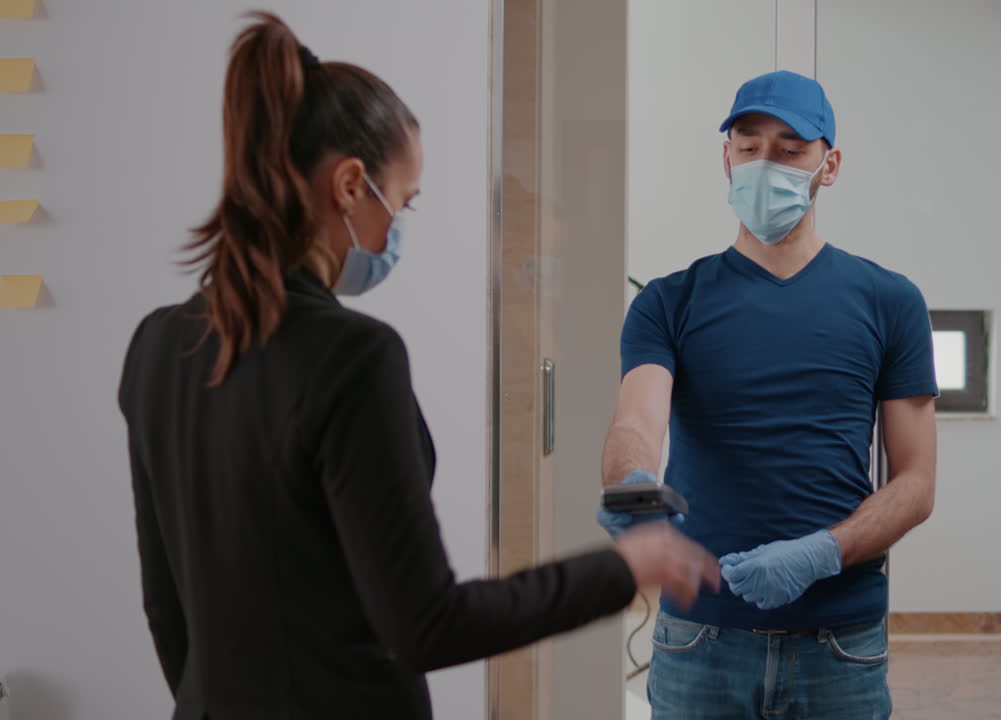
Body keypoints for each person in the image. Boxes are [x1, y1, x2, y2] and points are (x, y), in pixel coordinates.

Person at [117, 13, 719, 720]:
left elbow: (166, 607)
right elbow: (427, 623)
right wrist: (619, 570)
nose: (394, 231)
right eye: (401, 203)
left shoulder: (158, 344)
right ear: (348, 186)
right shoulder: (353, 358)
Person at [598, 71, 938, 719]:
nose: (764, 163)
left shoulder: (889, 301)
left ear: (828, 165)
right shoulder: (669, 302)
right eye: (748, 145)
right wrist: (632, 487)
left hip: (839, 643)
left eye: (789, 149)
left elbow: (917, 482)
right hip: (701, 639)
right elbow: (636, 423)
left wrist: (823, 552)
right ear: (725, 157)